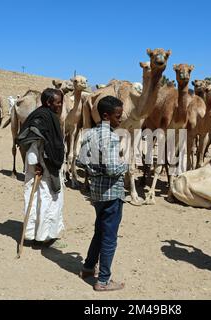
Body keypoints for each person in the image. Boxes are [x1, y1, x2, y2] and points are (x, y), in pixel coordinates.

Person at [77, 95, 128, 291]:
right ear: (106, 116)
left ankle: (89, 267)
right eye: (118, 116)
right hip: (112, 194)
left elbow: (81, 162)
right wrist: (125, 164)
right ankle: (104, 280)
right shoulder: (112, 137)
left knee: (99, 230)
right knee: (109, 237)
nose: (120, 119)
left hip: (96, 194)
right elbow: (113, 169)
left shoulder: (88, 134)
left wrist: (94, 170)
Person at [16, 88, 66, 248]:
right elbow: (32, 142)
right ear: (48, 102)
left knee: (48, 199)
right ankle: (43, 236)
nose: (60, 106)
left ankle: (41, 233)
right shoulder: (41, 118)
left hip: (48, 164)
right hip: (40, 167)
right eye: (58, 103)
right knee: (45, 199)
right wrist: (35, 164)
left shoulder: (49, 116)